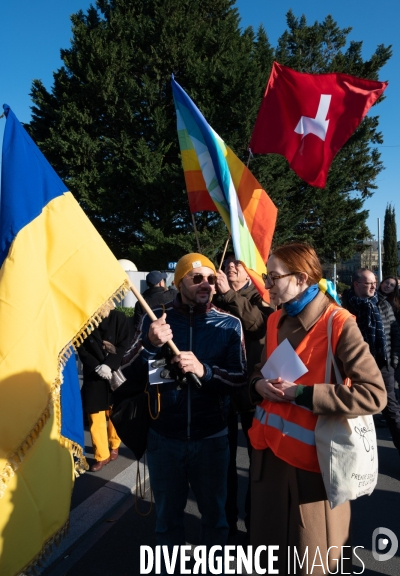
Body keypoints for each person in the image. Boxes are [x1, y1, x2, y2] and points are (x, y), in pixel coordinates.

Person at [248, 243, 386, 575]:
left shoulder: (338, 322)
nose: (267, 283)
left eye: (273, 276)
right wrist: (257, 385)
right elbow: (259, 370)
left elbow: (374, 394)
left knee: (313, 563)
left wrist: (304, 394)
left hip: (314, 468)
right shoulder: (275, 319)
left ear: (301, 278)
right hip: (267, 460)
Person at [121, 253, 246, 573]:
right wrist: (149, 342)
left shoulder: (229, 324)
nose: (206, 284)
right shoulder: (156, 319)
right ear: (179, 283)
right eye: (196, 278)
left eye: (209, 278)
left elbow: (239, 379)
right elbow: (125, 372)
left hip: (212, 438)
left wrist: (204, 371)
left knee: (215, 522)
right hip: (164, 438)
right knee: (167, 524)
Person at [213, 253, 273, 534]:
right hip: (222, 388)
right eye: (227, 265)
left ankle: (255, 521)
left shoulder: (262, 295)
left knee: (256, 461)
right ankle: (226, 521)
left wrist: (228, 295)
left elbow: (257, 325)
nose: (231, 269)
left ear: (250, 272)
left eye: (237, 265)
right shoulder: (215, 296)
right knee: (222, 461)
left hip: (252, 390)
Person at [342, 269, 400, 453]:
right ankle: (359, 455)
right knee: (356, 411)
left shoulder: (382, 304)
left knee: (391, 410)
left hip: (383, 365)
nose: (374, 286)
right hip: (355, 367)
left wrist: (394, 360)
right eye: (369, 283)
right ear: (357, 284)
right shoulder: (344, 307)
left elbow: (395, 333)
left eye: (375, 282)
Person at [78, 305, 131, 471]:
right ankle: (101, 455)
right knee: (95, 415)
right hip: (93, 375)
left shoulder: (119, 318)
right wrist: (97, 367)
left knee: (114, 411)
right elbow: (81, 347)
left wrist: (109, 365)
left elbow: (125, 344)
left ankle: (114, 444)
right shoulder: (84, 320)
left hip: (114, 371)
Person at [130, 270, 177, 335]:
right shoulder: (173, 294)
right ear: (161, 283)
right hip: (172, 336)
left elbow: (137, 326)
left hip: (151, 339)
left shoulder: (141, 303)